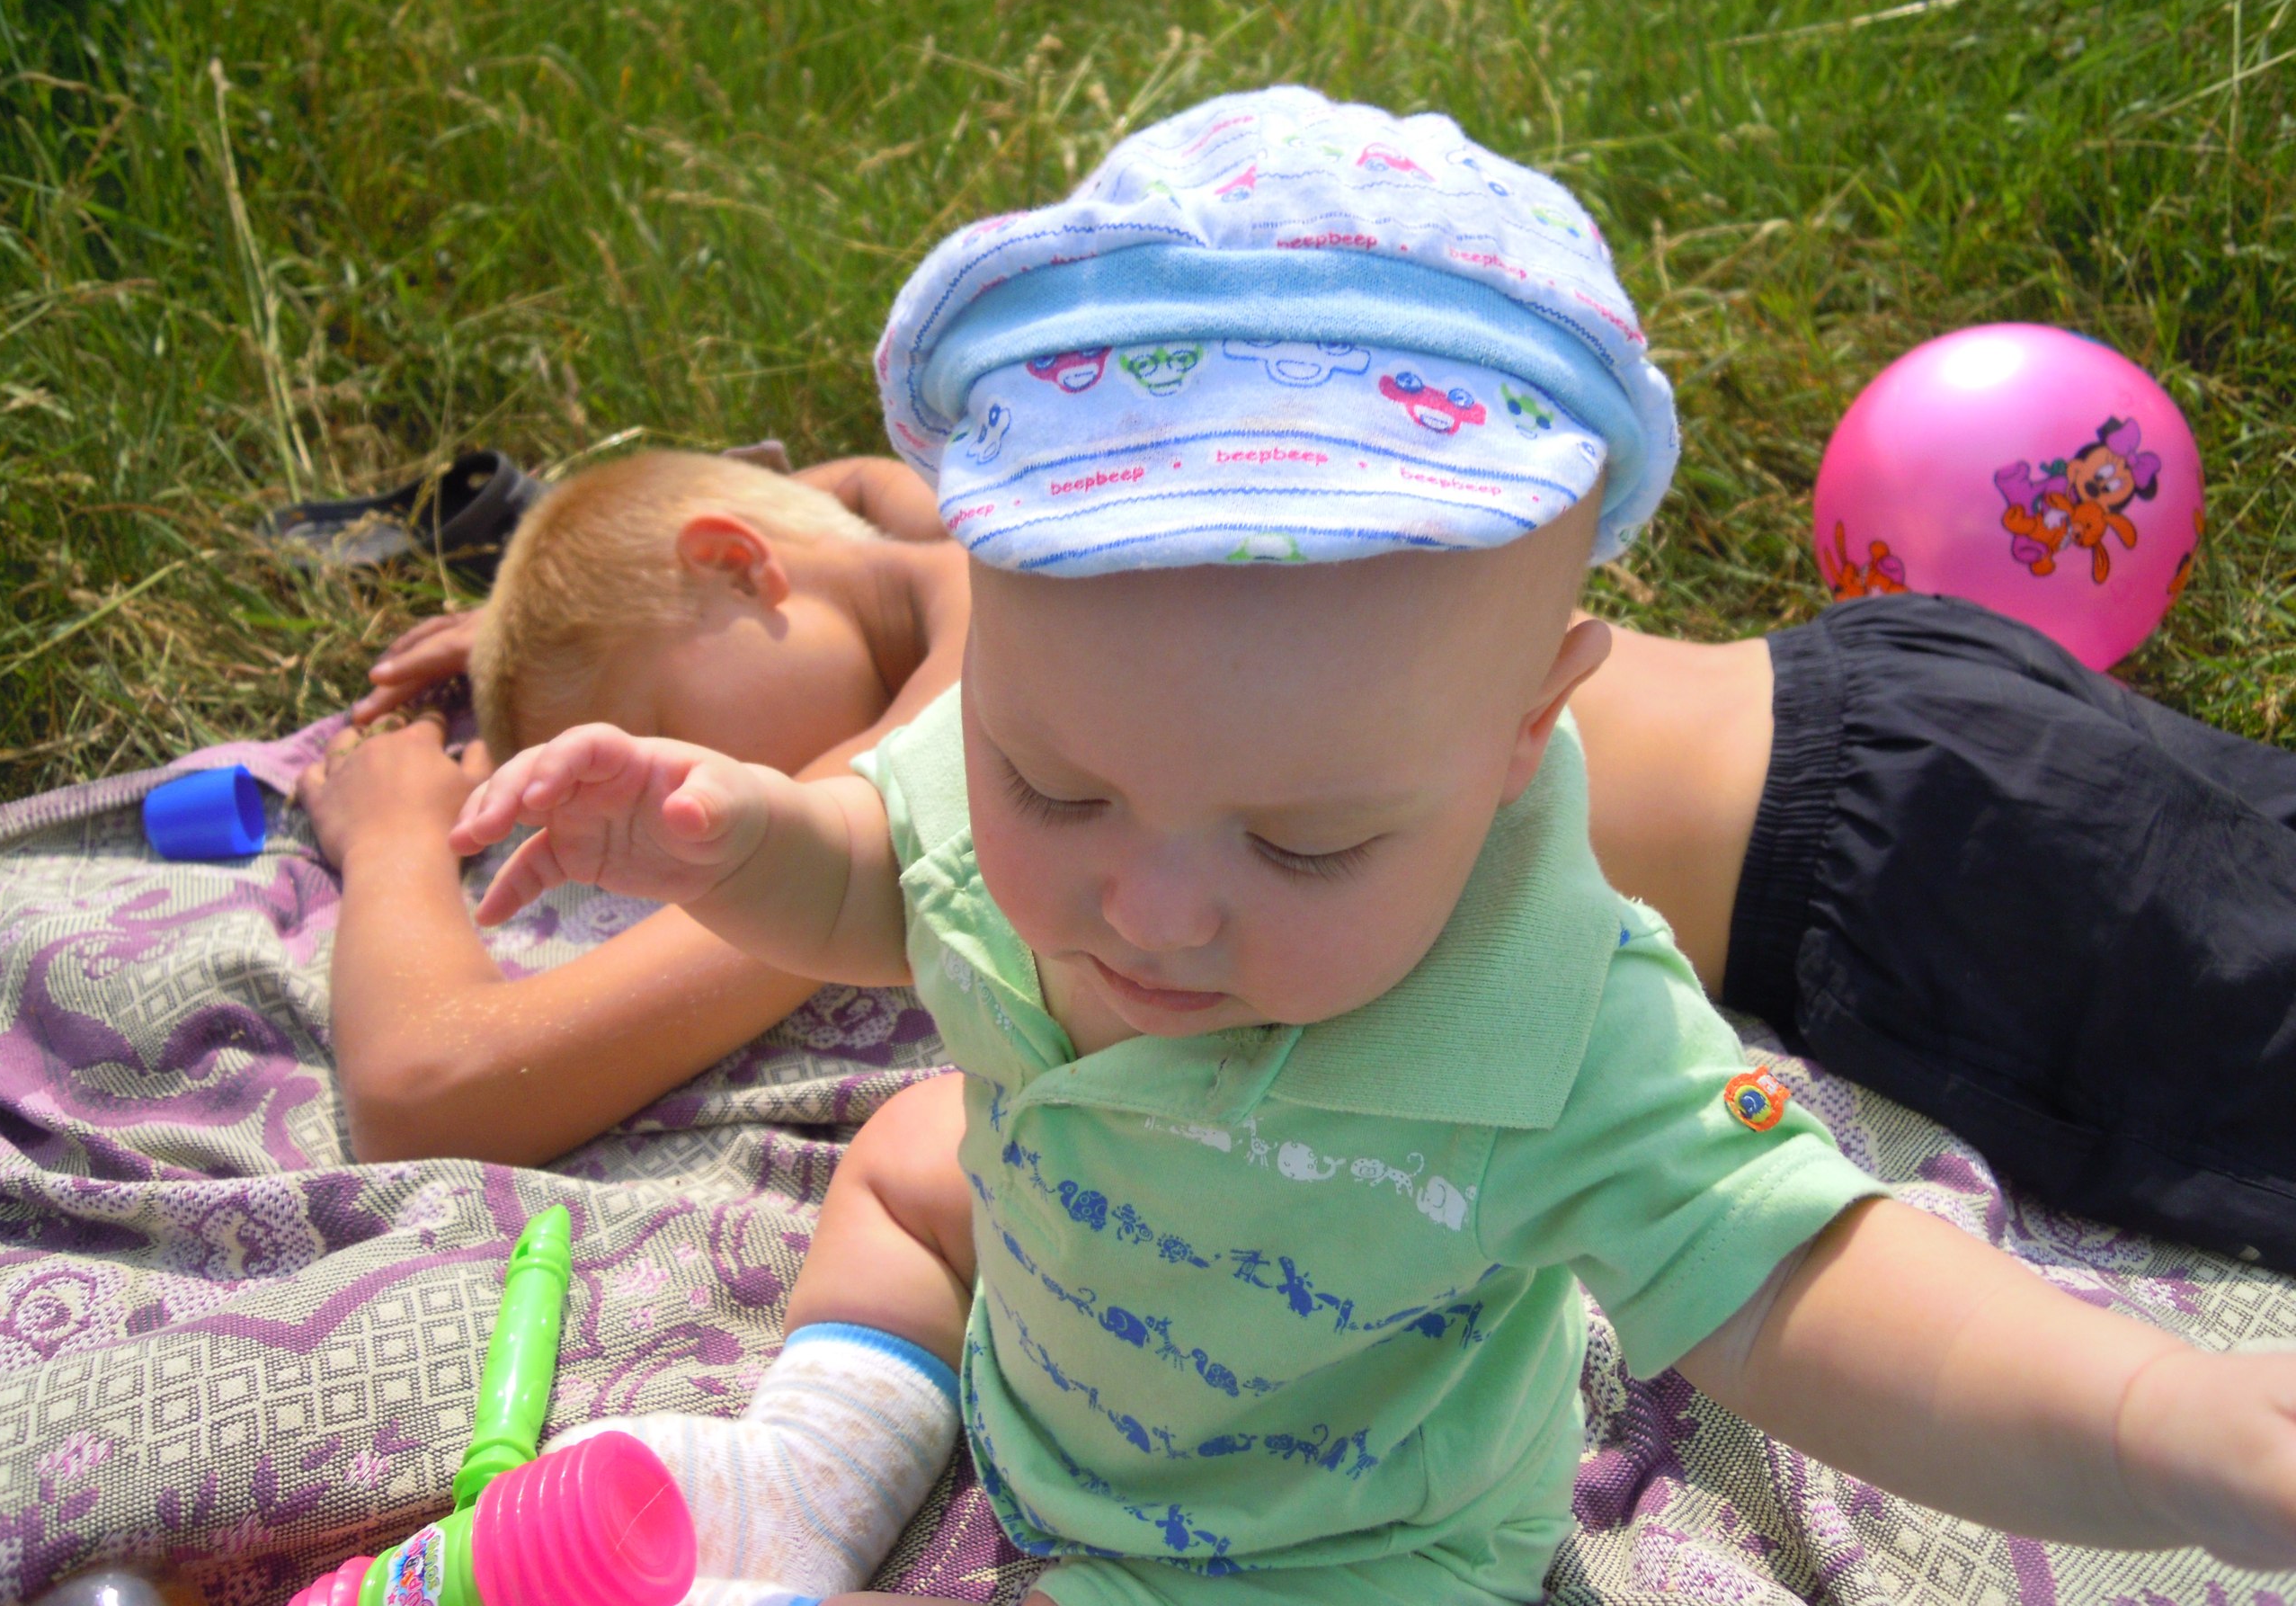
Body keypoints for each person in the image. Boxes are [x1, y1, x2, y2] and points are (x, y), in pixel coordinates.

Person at [449, 90, 2296, 1606]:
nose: (1146, 914)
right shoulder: (1027, 741)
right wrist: (739, 839)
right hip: (1053, 1364)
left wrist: (2156, 1421)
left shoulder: (1553, 1023)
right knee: (909, 1150)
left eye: (1309, 845)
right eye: (1057, 791)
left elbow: (1805, 1283)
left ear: (1523, 732)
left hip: (1335, 1559)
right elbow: (881, 874)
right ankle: (808, 1466)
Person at [298, 450, 968, 1164]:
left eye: (661, 735)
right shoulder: (978, 530)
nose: (663, 805)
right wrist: (575, 594)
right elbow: (859, 481)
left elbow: (428, 1094)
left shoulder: (952, 728)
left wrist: (393, 839)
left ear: (739, 565)